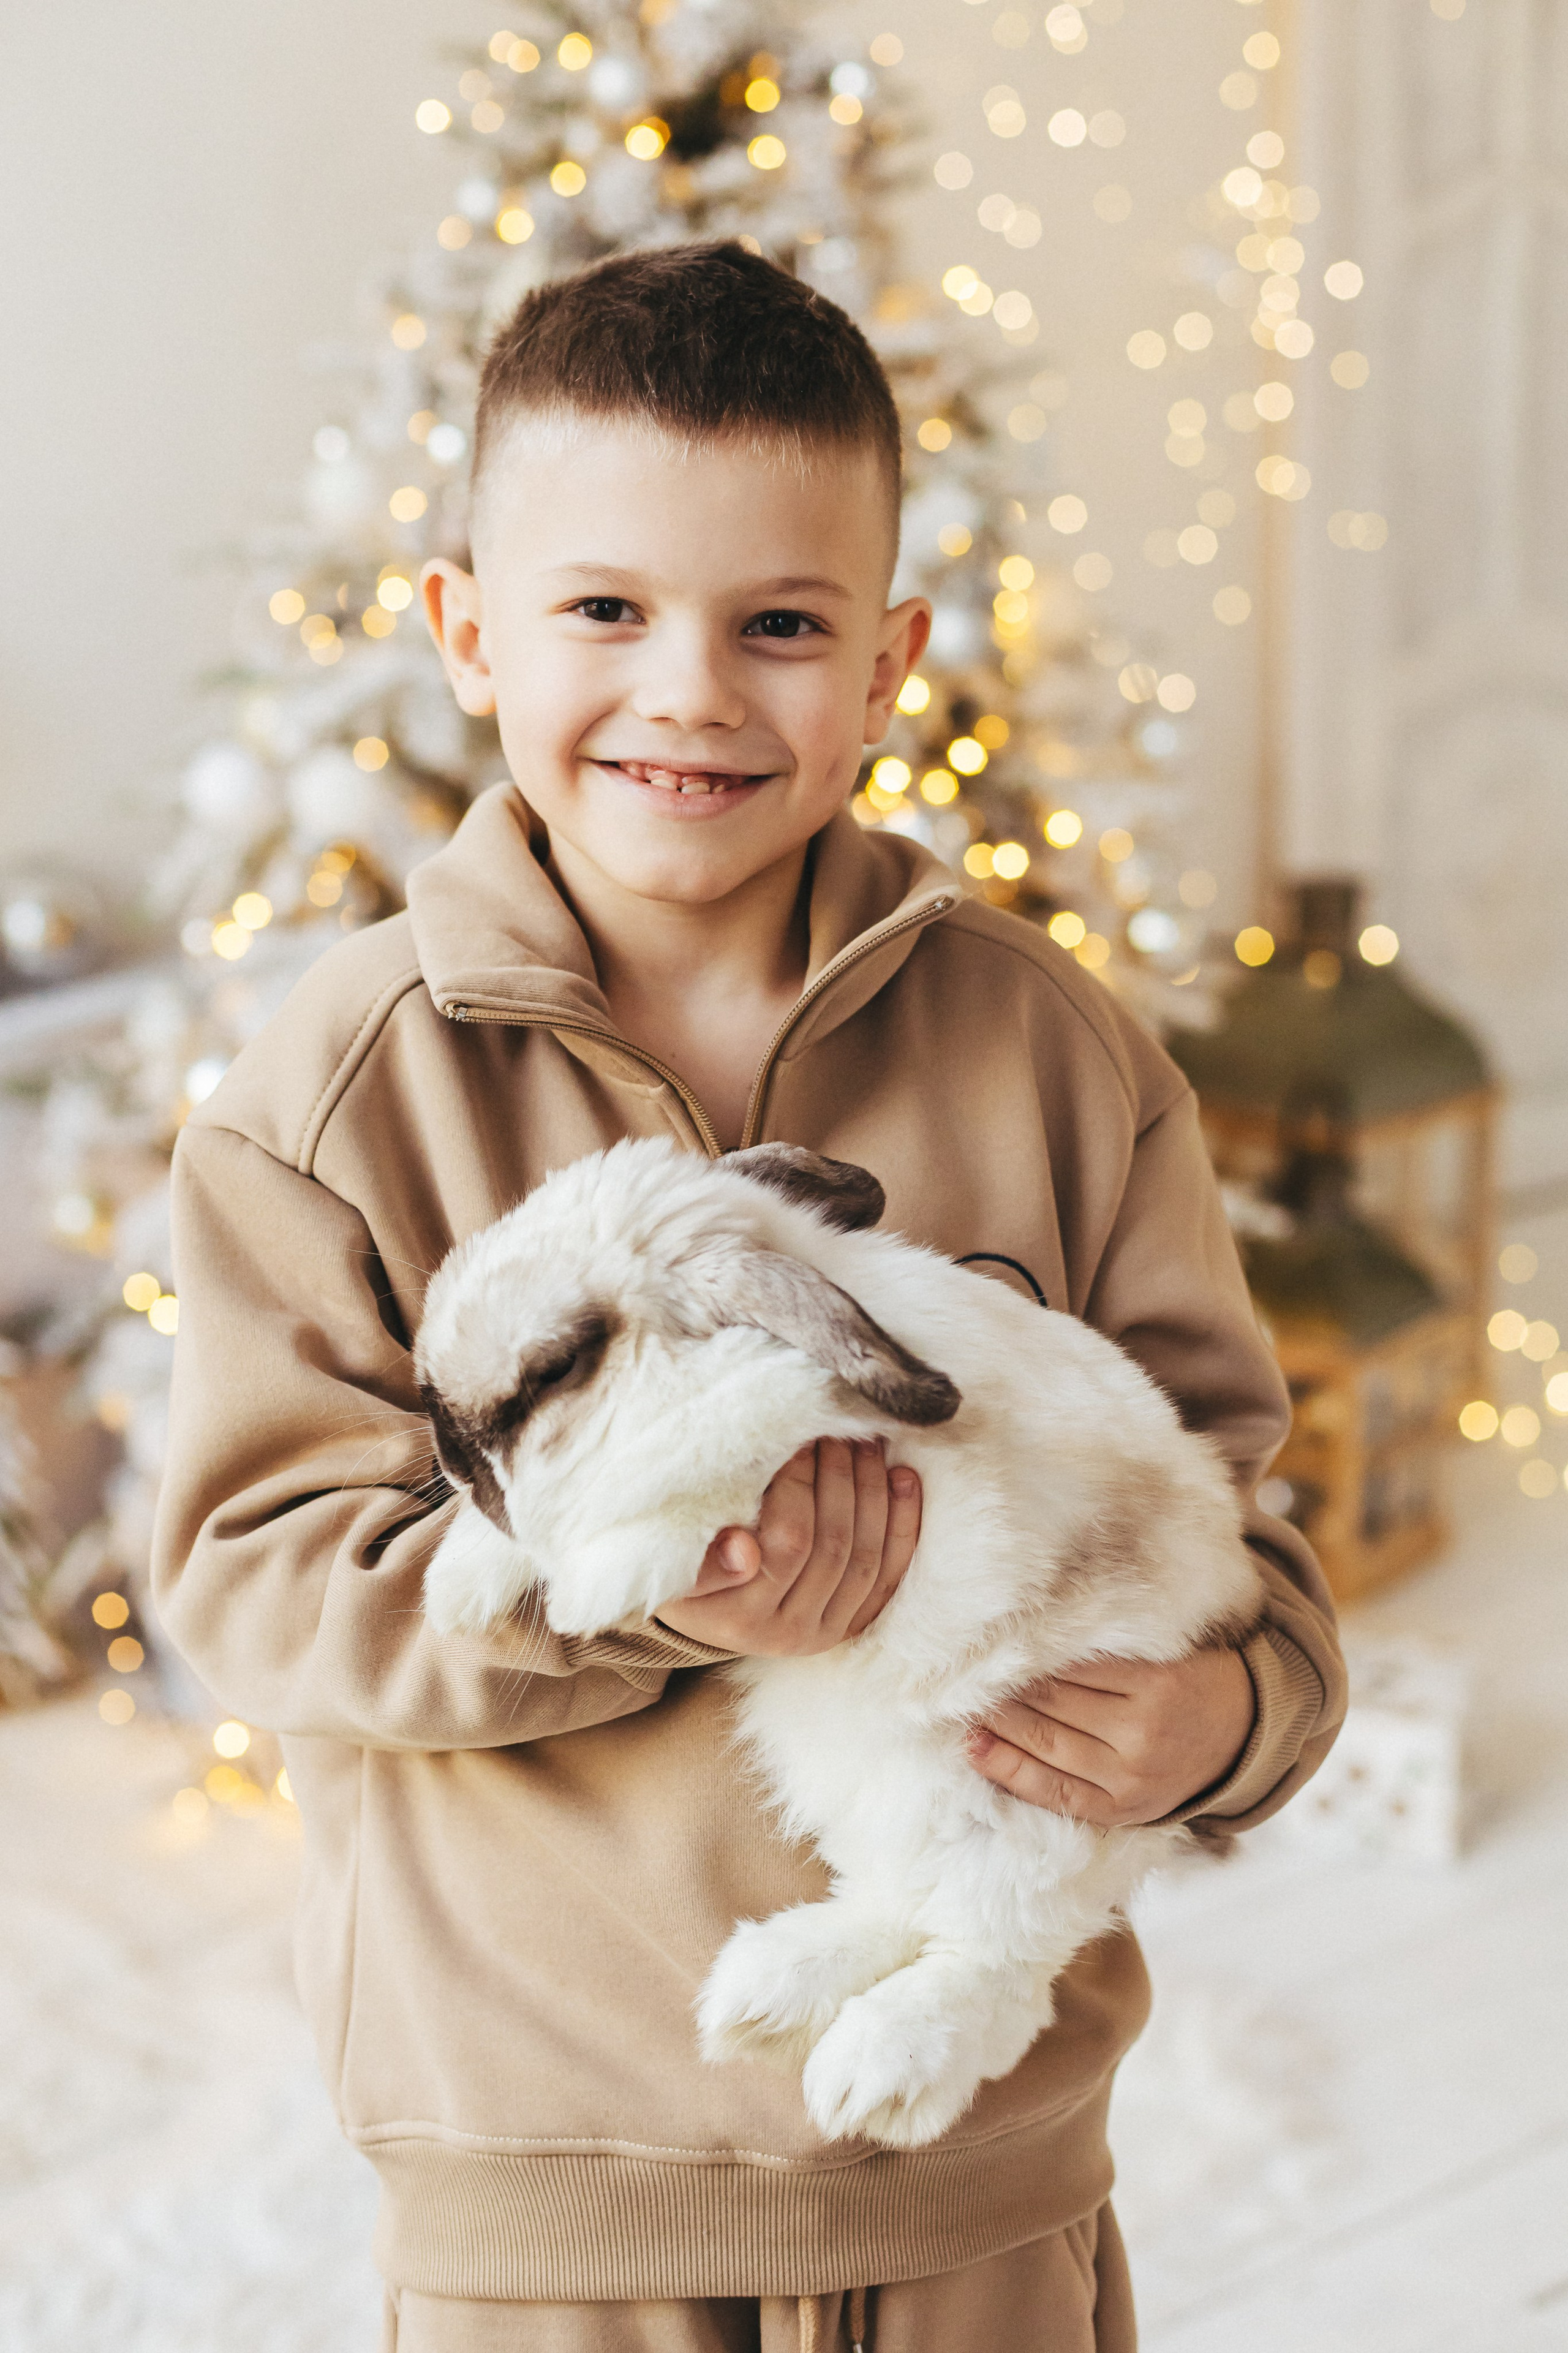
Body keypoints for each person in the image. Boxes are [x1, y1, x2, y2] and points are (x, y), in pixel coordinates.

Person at [152, 243, 1345, 2353]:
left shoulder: (1057, 1056)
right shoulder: (338, 1097)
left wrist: (1230, 1719)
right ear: (467, 631)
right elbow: (254, 1583)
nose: (693, 692)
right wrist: (639, 1596)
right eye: (607, 610)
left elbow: (1228, 1503)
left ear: (887, 665)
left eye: (778, 625)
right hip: (549, 2173)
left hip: (975, 2166)